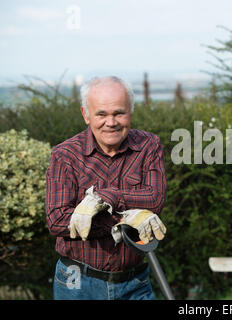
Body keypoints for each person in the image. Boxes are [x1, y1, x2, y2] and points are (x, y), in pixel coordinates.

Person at [46, 76, 167, 300]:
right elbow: (57, 220)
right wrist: (123, 221)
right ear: (86, 114)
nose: (111, 122)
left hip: (135, 282)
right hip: (78, 283)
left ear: (130, 112)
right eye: (101, 114)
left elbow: (155, 198)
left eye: (119, 113)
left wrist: (104, 197)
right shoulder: (65, 155)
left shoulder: (148, 146)